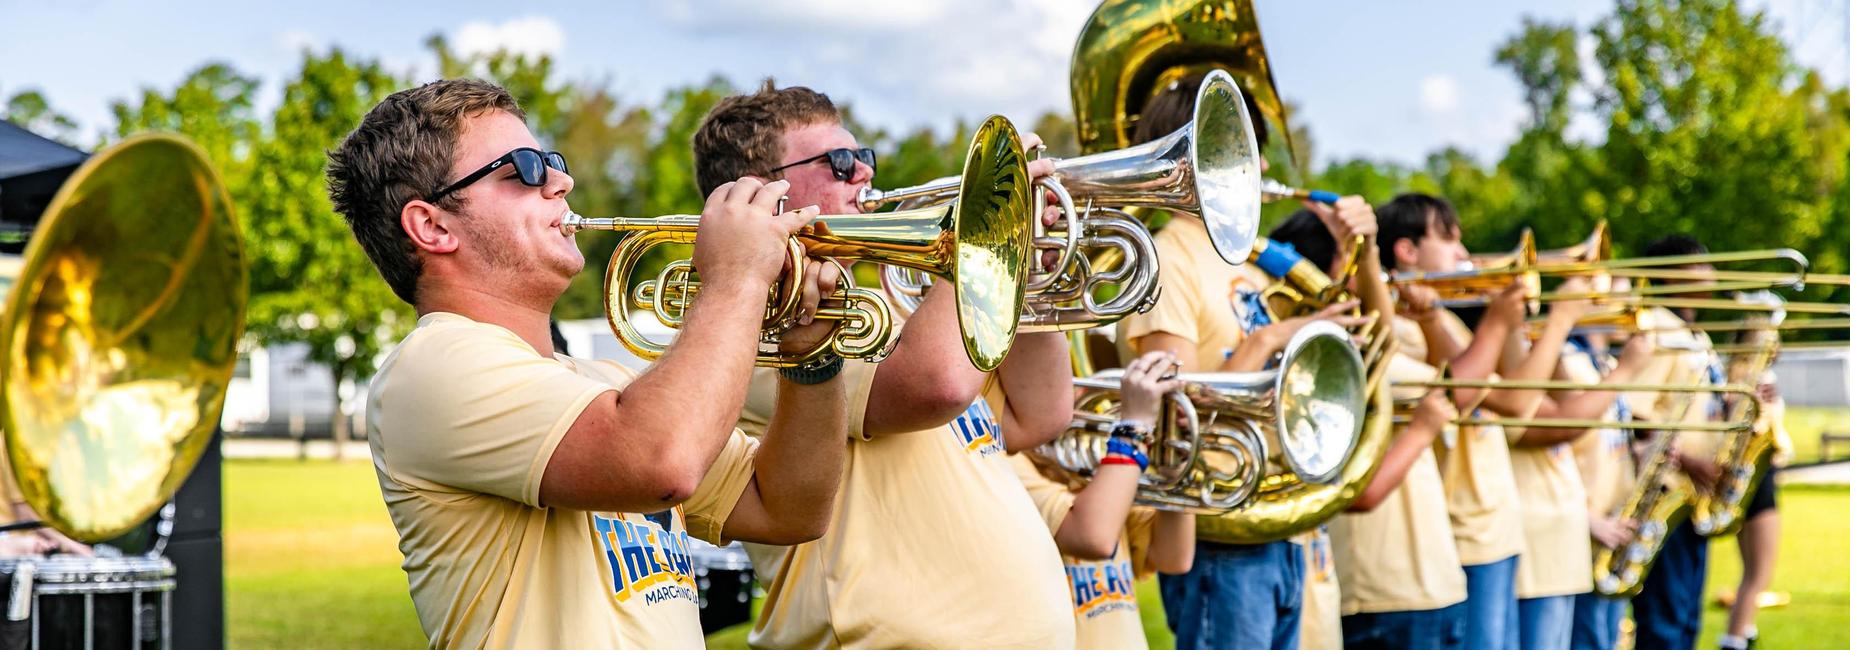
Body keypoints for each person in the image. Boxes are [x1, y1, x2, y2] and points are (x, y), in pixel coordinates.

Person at [327, 78, 853, 648]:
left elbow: (788, 509)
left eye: (550, 159)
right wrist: (736, 279)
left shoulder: (605, 385)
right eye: (524, 168)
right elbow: (661, 463)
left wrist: (810, 354)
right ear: (432, 226)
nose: (562, 180)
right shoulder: (431, 366)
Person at [693, 80, 1079, 649]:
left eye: (863, 157)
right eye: (840, 162)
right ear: (762, 193)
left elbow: (1038, 414)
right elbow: (937, 384)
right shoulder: (757, 328)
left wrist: (1020, 268)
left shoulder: (892, 313)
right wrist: (986, 227)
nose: (865, 175)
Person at [1114, 73, 1378, 650]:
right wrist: (1273, 340)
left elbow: (1357, 335)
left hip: (1274, 522)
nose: (1259, 170)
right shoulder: (1166, 257)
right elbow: (1169, 413)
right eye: (1240, 153)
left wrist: (1359, 251)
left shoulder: (1245, 258)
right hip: (1218, 534)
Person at [1268, 208, 1469, 650]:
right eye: (1353, 262)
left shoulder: (1364, 349)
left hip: (1429, 584)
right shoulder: (1330, 363)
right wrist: (1421, 431)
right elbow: (1467, 391)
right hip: (1383, 590)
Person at [1011, 350, 1198, 649]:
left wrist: (1175, 459)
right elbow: (1093, 536)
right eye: (1063, 379)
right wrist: (1132, 431)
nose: (1084, 390)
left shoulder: (1089, 462)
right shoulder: (1007, 466)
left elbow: (1173, 557)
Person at [1623, 234, 1725, 650]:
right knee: (1665, 623)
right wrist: (1685, 460)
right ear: (1670, 276)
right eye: (1697, 266)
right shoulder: (1658, 331)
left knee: (1685, 620)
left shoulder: (1695, 335)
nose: (1710, 274)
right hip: (1665, 490)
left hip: (1692, 495)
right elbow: (1634, 414)